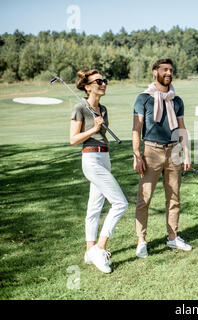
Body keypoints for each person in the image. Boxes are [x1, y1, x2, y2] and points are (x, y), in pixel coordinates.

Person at [70, 69, 128, 274]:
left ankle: (89, 250)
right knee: (121, 203)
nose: (103, 83)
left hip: (105, 157)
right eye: (99, 81)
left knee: (94, 208)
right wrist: (94, 129)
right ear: (87, 87)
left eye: (105, 80)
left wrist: (99, 126)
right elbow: (73, 139)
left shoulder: (102, 108)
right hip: (91, 158)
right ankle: (100, 248)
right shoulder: (80, 107)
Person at [133, 58, 192, 258]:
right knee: (144, 198)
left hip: (174, 151)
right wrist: (136, 154)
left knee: (174, 197)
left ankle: (173, 237)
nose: (168, 73)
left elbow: (182, 128)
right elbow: (136, 129)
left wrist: (186, 152)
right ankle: (141, 241)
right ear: (154, 72)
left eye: (171, 70)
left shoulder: (177, 100)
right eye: (164, 70)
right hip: (151, 151)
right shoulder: (144, 98)